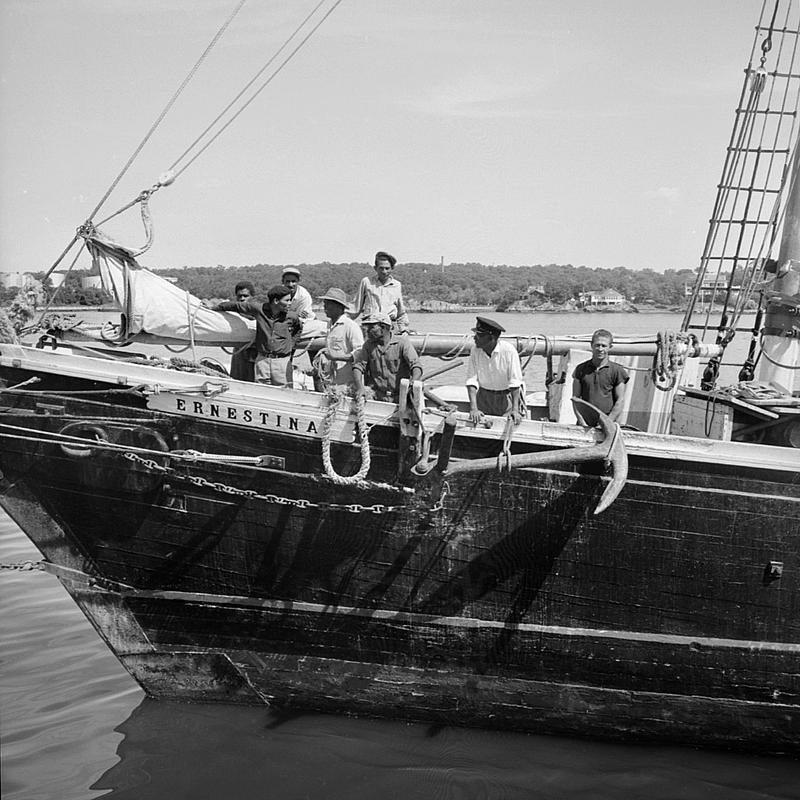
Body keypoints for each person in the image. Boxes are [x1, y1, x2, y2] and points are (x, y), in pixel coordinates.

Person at [212, 284, 302, 386]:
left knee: (285, 391)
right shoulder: (259, 310)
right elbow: (236, 306)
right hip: (262, 361)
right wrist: (214, 308)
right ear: (276, 301)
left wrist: (291, 344)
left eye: (290, 300)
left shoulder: (291, 316)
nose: (290, 303)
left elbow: (298, 329)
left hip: (282, 361)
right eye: (287, 300)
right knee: (261, 388)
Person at [465, 316, 524, 425]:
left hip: (505, 400)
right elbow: (471, 381)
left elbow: (515, 383)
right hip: (483, 398)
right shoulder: (475, 351)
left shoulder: (509, 351)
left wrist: (515, 410)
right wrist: (474, 409)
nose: (474, 338)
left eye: (479, 335)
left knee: (505, 430)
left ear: (491, 337)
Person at [352, 311, 422, 402]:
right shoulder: (368, 346)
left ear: (383, 327)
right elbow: (358, 366)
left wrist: (413, 382)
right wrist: (360, 387)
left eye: (371, 327)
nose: (367, 331)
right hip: (377, 396)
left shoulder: (402, 343)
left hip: (400, 396)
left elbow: (416, 366)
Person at [572, 328, 629, 424]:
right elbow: (575, 398)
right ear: (591, 345)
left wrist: (607, 422)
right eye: (597, 345)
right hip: (585, 423)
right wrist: (582, 421)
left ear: (610, 347)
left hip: (609, 422)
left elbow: (620, 401)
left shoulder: (617, 371)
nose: (600, 349)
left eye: (604, 346)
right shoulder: (580, 369)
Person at [316, 287, 363, 389]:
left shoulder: (350, 326)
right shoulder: (329, 325)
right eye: (325, 304)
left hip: (346, 384)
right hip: (331, 383)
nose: (325, 307)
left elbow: (359, 354)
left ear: (339, 306)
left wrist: (336, 357)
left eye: (328, 304)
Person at [352, 251, 409, 333]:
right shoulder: (367, 282)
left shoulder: (397, 285)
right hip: (370, 328)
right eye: (381, 268)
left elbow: (401, 312)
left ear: (392, 269)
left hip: (389, 327)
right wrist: (340, 321)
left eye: (387, 268)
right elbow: (355, 308)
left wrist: (404, 329)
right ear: (375, 268)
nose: (384, 271)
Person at [228, 281, 257, 381]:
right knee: (236, 380)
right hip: (239, 352)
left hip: (254, 353)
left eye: (245, 296)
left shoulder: (259, 311)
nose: (242, 299)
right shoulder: (234, 311)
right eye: (239, 296)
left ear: (253, 297)